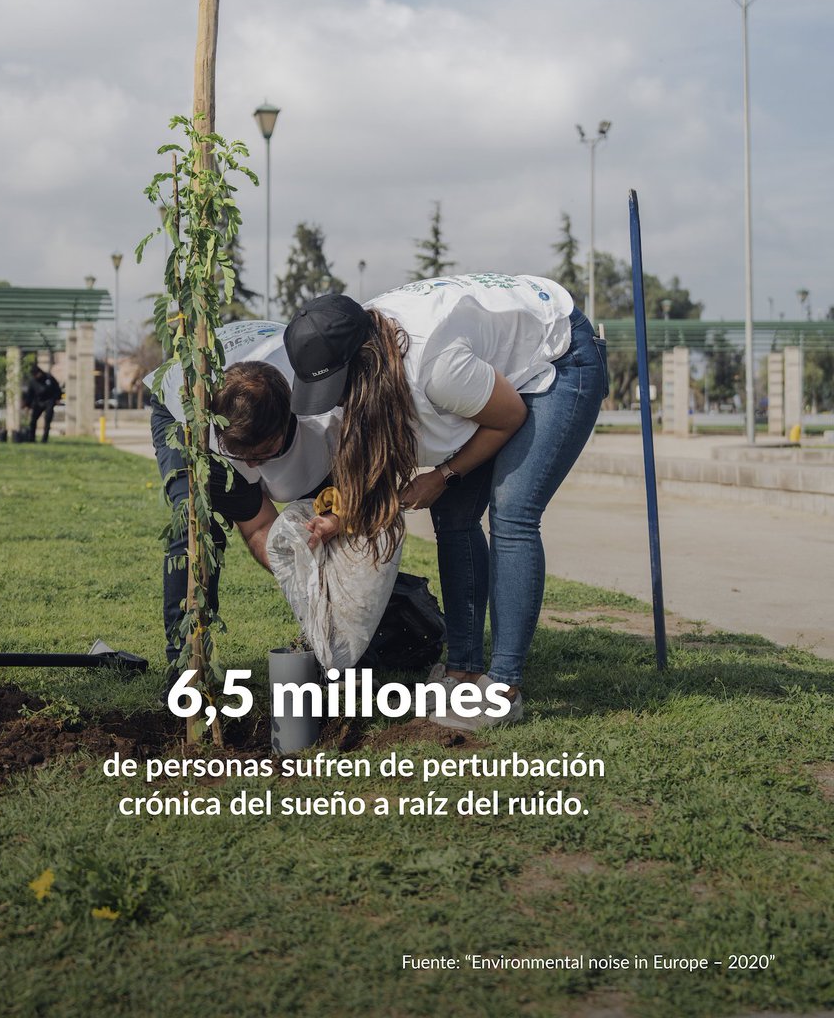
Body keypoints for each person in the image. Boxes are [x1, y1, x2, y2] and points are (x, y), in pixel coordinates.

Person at [284, 273, 609, 731]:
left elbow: (509, 416)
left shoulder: (436, 367)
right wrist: (343, 517)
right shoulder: (367, 335)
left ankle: (503, 687)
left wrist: (443, 475)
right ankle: (463, 670)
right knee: (454, 516)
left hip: (559, 359)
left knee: (512, 511)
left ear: (363, 362)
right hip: (496, 376)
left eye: (339, 386)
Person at [145, 321, 340, 668]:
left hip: (281, 398)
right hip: (181, 411)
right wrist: (294, 573)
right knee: (196, 527)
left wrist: (315, 583)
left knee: (328, 522)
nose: (252, 465)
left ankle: (344, 627)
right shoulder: (199, 423)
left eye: (262, 455)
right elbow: (258, 525)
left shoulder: (324, 414)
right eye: (242, 456)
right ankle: (186, 663)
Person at [26, 365, 62, 443]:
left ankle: (44, 439)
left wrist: (57, 398)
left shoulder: (49, 377)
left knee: (47, 419)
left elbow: (57, 388)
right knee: (33, 420)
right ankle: (31, 438)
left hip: (49, 400)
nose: (36, 376)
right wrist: (28, 405)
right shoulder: (32, 381)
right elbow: (30, 394)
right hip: (38, 401)